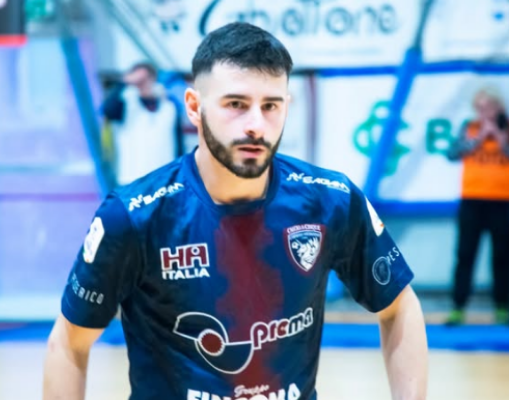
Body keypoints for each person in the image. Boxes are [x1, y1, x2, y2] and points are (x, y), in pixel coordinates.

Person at [44, 22, 428, 400]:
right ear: (194, 107)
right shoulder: (132, 216)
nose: (255, 125)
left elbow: (399, 307)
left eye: (270, 106)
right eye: (236, 105)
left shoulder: (331, 200)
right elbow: (69, 342)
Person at [445, 88, 509, 326]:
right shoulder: (469, 128)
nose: (485, 113)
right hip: (472, 200)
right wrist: (480, 137)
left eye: (489, 107)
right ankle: (458, 307)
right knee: (465, 254)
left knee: (502, 256)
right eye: (480, 108)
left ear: (498, 107)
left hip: (502, 201)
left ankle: (502, 306)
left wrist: (500, 138)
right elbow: (452, 153)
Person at [101, 62, 184, 185]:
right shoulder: (125, 104)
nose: (143, 85)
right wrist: (124, 83)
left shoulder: (169, 106)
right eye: (139, 81)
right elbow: (108, 110)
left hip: (164, 179)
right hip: (132, 180)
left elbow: (178, 143)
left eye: (146, 79)